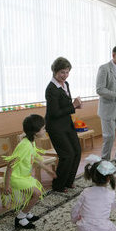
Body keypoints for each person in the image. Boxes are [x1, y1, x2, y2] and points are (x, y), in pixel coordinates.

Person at [2, 114, 57, 229]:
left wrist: (48, 170)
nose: (45, 130)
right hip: (16, 178)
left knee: (33, 194)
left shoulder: (31, 141)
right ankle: (20, 218)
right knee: (36, 194)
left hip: (25, 176)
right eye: (43, 128)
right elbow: (10, 165)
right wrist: (6, 185)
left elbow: (36, 158)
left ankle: (25, 213)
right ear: (35, 132)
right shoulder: (24, 145)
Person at [45, 57, 82, 193]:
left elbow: (65, 106)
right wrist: (73, 105)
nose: (65, 75)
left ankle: (69, 181)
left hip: (66, 123)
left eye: (67, 72)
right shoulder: (51, 89)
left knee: (77, 151)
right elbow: (54, 113)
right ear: (54, 71)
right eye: (62, 72)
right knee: (67, 155)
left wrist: (75, 106)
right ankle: (58, 185)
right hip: (55, 126)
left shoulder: (66, 84)